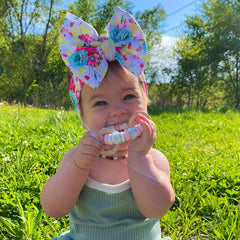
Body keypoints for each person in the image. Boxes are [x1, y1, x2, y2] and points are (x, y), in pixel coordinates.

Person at [40, 7, 175, 240]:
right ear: (83, 117)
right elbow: (53, 209)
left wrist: (140, 158)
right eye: (101, 102)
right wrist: (79, 167)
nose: (118, 111)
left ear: (146, 101)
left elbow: (156, 209)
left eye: (129, 97)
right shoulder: (76, 158)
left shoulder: (154, 159)